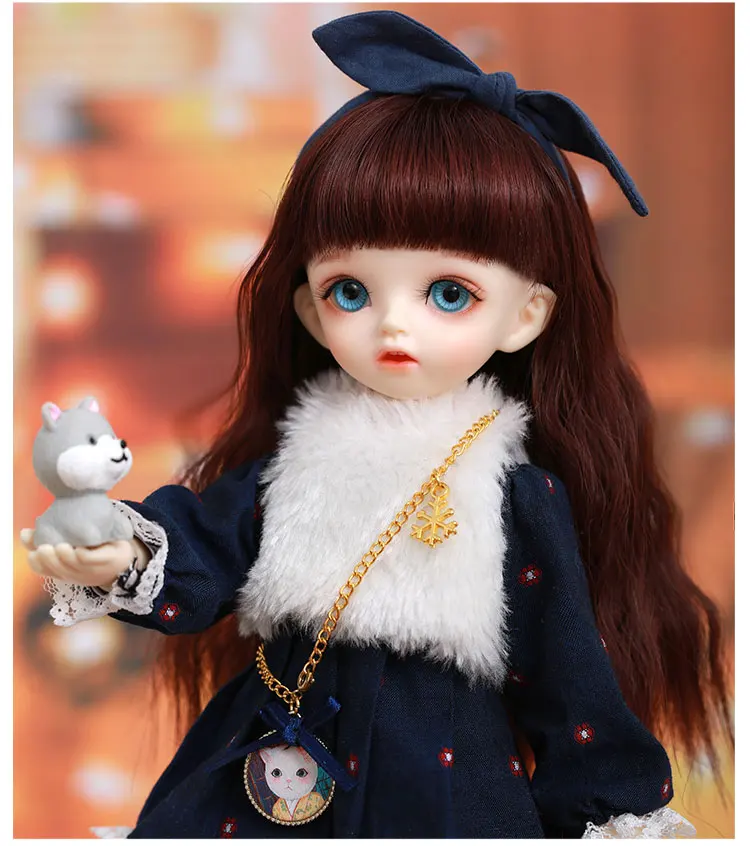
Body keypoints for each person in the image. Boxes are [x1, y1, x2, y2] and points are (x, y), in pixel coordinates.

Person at [23, 10, 731, 839]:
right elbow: (205, 549)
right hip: (273, 773)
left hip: (444, 792)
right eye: (351, 292)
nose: (394, 325)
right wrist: (124, 554)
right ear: (309, 310)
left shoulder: (513, 492)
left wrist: (608, 807)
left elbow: (568, 680)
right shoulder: (295, 460)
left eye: (449, 294)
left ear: (526, 316)